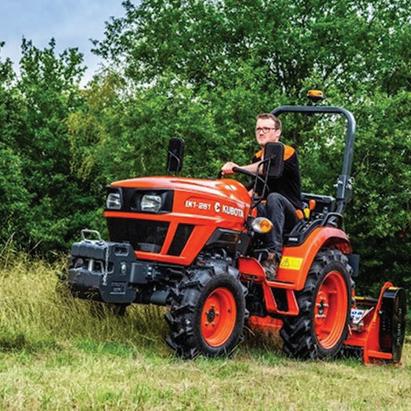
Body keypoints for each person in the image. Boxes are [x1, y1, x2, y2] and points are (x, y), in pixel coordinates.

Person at [221, 113, 302, 280]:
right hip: (265, 215)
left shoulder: (287, 152)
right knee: (248, 203)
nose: (261, 132)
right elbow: (256, 187)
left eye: (266, 128)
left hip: (290, 215)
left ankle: (273, 256)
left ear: (277, 132)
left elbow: (267, 168)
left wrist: (237, 168)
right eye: (258, 128)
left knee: (274, 198)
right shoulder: (258, 156)